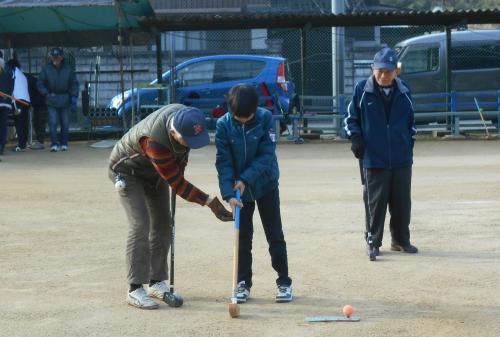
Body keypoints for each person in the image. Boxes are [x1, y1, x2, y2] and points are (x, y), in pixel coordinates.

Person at [108, 103, 233, 310]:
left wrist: (180, 171)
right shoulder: (154, 141)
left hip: (154, 173)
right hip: (128, 172)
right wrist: (210, 202)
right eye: (187, 141)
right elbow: (177, 184)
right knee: (141, 224)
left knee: (164, 223)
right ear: (173, 132)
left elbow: (180, 165)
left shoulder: (188, 118)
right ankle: (134, 288)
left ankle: (156, 281)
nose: (190, 145)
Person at [215, 84, 293, 303]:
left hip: (265, 184)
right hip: (239, 192)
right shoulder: (223, 125)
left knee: (274, 234)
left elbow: (267, 154)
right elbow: (224, 162)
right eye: (237, 117)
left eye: (246, 117)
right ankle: (242, 283)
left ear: (255, 109)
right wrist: (228, 192)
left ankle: (284, 281)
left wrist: (245, 179)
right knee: (243, 237)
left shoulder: (265, 118)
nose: (241, 121)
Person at [344, 47, 418, 261]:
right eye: (380, 71)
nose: (384, 75)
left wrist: (408, 143)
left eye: (389, 71)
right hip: (373, 158)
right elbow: (350, 120)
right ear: (372, 69)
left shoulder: (405, 90)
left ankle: (401, 240)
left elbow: (411, 122)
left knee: (402, 202)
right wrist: (356, 139)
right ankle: (373, 242)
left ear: (397, 71)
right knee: (375, 204)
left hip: (401, 158)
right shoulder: (361, 90)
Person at [37, 47, 79, 152]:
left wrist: (73, 97)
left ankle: (64, 143)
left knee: (65, 123)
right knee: (53, 122)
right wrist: (46, 93)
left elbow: (74, 83)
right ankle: (54, 144)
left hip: (65, 98)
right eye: (53, 57)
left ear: (61, 57)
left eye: (57, 57)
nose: (55, 59)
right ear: (51, 58)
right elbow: (40, 83)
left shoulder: (68, 69)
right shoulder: (46, 69)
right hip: (52, 98)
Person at [7, 59, 30, 152]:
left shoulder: (12, 71)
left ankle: (20, 145)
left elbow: (9, 83)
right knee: (24, 122)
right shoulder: (21, 74)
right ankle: (23, 143)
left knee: (19, 123)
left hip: (18, 100)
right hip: (26, 100)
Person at [27, 72, 47, 150]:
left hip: (41, 102)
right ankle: (40, 141)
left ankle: (40, 142)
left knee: (39, 122)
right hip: (40, 102)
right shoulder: (29, 78)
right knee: (38, 121)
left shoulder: (26, 79)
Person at [0, 55, 14, 156]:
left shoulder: (6, 73)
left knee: (2, 125)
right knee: (2, 125)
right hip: (6, 103)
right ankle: (1, 146)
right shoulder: (9, 72)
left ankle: (1, 146)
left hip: (4, 102)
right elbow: (11, 87)